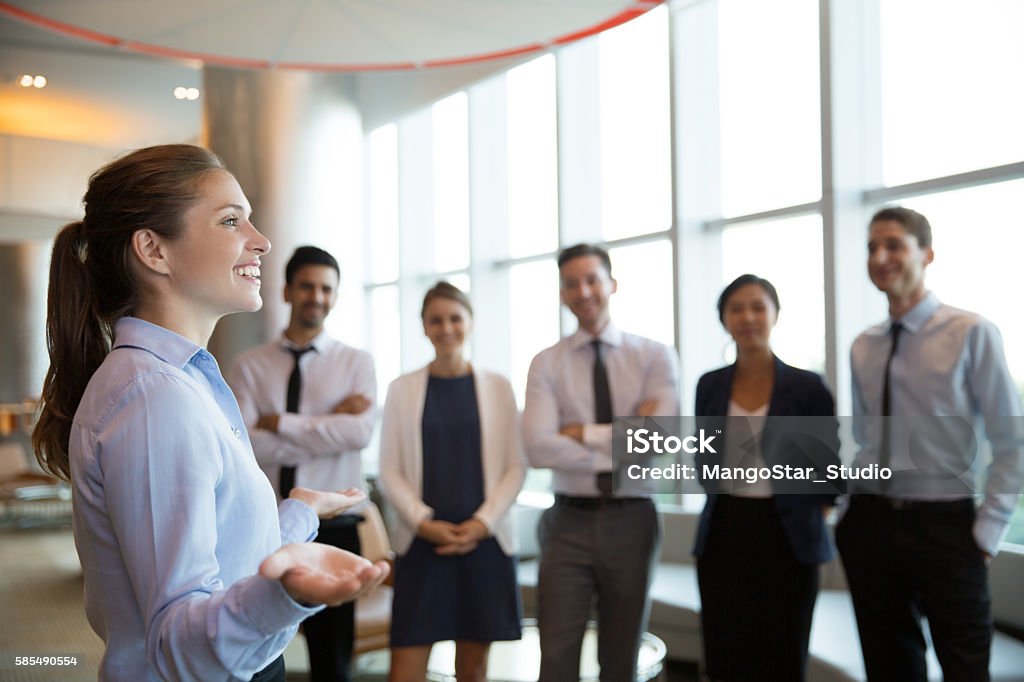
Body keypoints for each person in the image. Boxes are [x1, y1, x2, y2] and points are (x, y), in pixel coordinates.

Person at [31, 144, 388, 682]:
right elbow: (178, 642)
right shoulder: (155, 396)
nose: (262, 240)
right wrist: (285, 594)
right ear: (154, 250)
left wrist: (300, 512)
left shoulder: (179, 381)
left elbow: (227, 563)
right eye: (230, 220)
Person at [837, 206, 1024, 682]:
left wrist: (986, 533)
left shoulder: (971, 332)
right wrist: (848, 512)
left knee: (964, 666)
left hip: (947, 527)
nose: (880, 256)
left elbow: (1011, 440)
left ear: (927, 253)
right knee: (888, 666)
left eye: (894, 244)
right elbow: (865, 438)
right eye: (871, 247)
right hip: (871, 522)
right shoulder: (863, 345)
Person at [522, 244, 679, 682]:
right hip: (567, 521)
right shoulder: (546, 363)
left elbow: (662, 439)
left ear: (612, 283)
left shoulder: (653, 356)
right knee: (555, 655)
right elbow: (538, 448)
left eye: (592, 279)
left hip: (633, 519)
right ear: (562, 293)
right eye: (572, 283)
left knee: (621, 657)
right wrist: (627, 434)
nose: (583, 290)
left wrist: (581, 432)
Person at [228, 246, 376, 682]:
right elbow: (247, 449)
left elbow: (360, 434)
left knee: (333, 660)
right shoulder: (249, 366)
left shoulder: (356, 363)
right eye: (307, 286)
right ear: (288, 290)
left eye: (327, 288)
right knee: (255, 647)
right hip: (265, 523)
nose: (317, 296)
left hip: (337, 526)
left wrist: (282, 424)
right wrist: (328, 425)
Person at [692, 274, 841, 682]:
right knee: (726, 655)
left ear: (775, 314)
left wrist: (805, 513)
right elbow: (703, 463)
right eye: (737, 308)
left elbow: (829, 476)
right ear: (723, 318)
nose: (748, 317)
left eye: (758, 307)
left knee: (783, 655)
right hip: (724, 532)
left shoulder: (808, 388)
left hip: (789, 537)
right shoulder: (709, 385)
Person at [378, 281, 525, 682]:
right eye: (435, 320)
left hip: (485, 545)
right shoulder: (401, 389)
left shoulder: (500, 387)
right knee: (404, 670)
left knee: (473, 673)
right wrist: (423, 523)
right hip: (422, 545)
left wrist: (482, 524)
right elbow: (389, 468)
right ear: (424, 327)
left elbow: (516, 466)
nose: (446, 328)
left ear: (470, 322)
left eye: (455, 318)